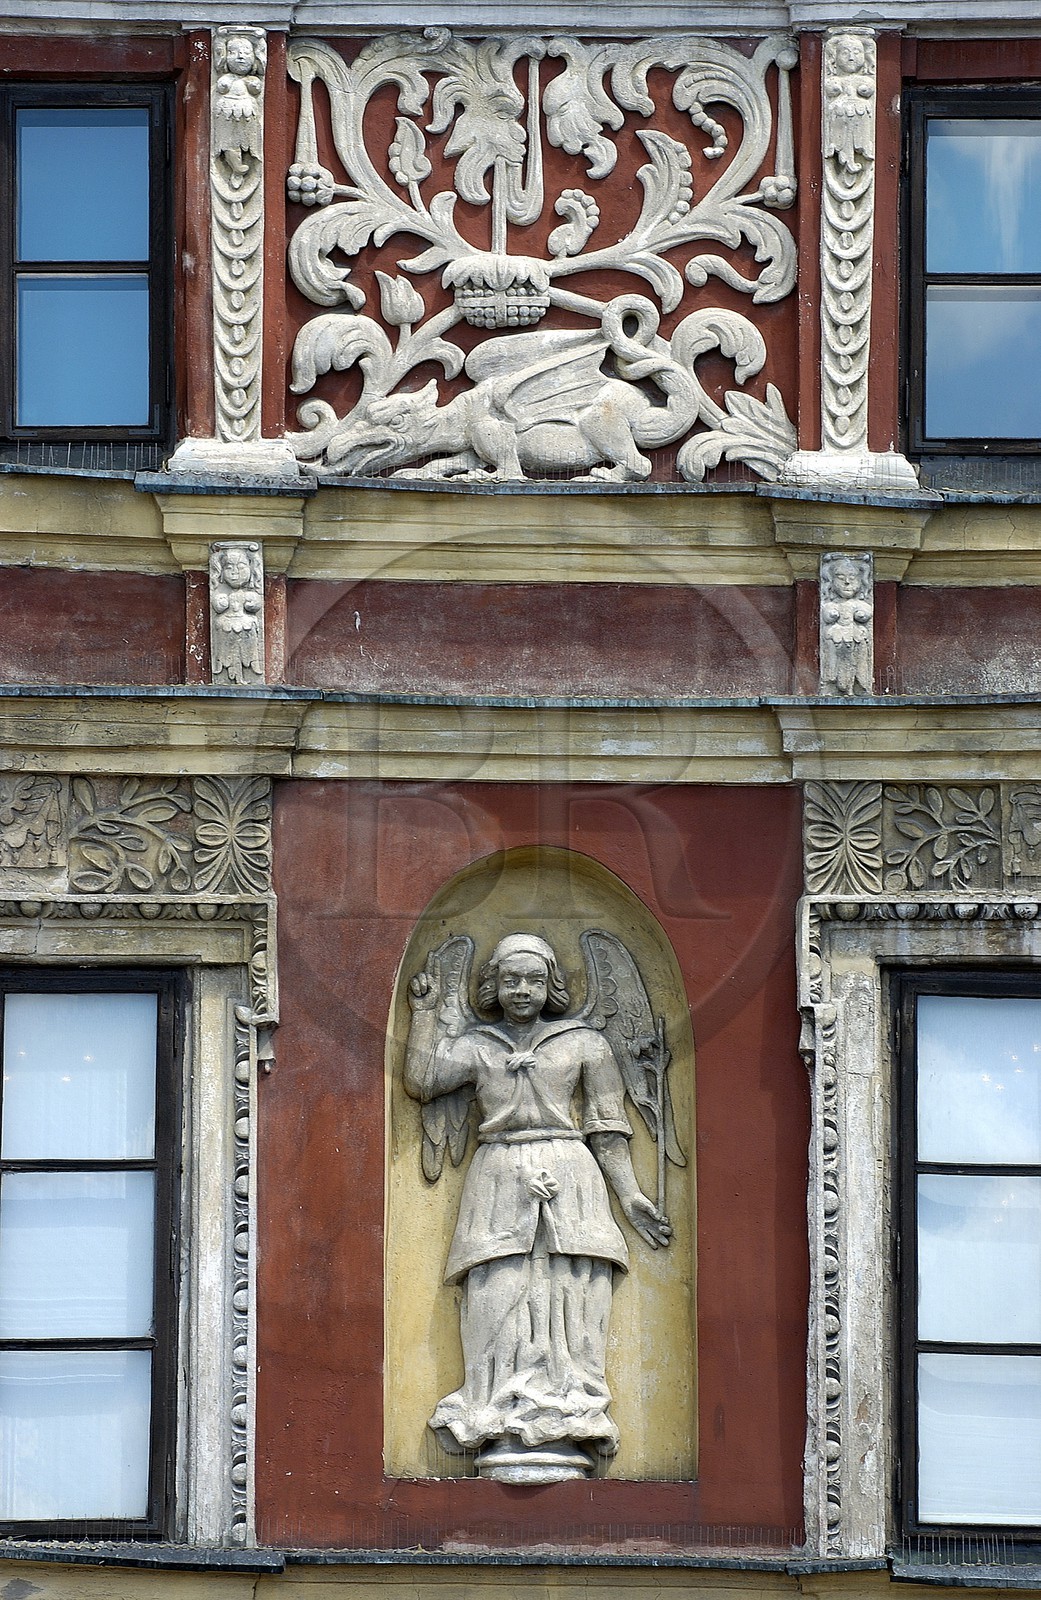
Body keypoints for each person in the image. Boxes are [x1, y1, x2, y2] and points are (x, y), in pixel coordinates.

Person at [405, 932, 671, 1483]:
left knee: (573, 1290)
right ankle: (494, 1409)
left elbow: (606, 1125)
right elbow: (424, 1080)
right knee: (495, 1290)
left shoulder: (584, 1044)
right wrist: (426, 1011)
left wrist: (630, 1195)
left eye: (532, 979)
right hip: (499, 1173)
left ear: (550, 984)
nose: (521, 990)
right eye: (509, 979)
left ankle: (569, 1410)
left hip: (570, 1171)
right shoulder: (480, 1046)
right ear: (493, 986)